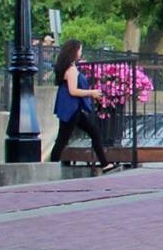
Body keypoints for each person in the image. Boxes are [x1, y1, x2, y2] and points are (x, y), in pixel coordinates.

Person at [49, 40, 116, 173]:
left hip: (71, 108)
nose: (81, 52)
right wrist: (92, 93)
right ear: (74, 51)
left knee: (92, 132)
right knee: (63, 139)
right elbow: (73, 91)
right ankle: (50, 167)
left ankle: (105, 164)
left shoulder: (66, 67)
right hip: (71, 108)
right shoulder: (71, 69)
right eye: (80, 50)